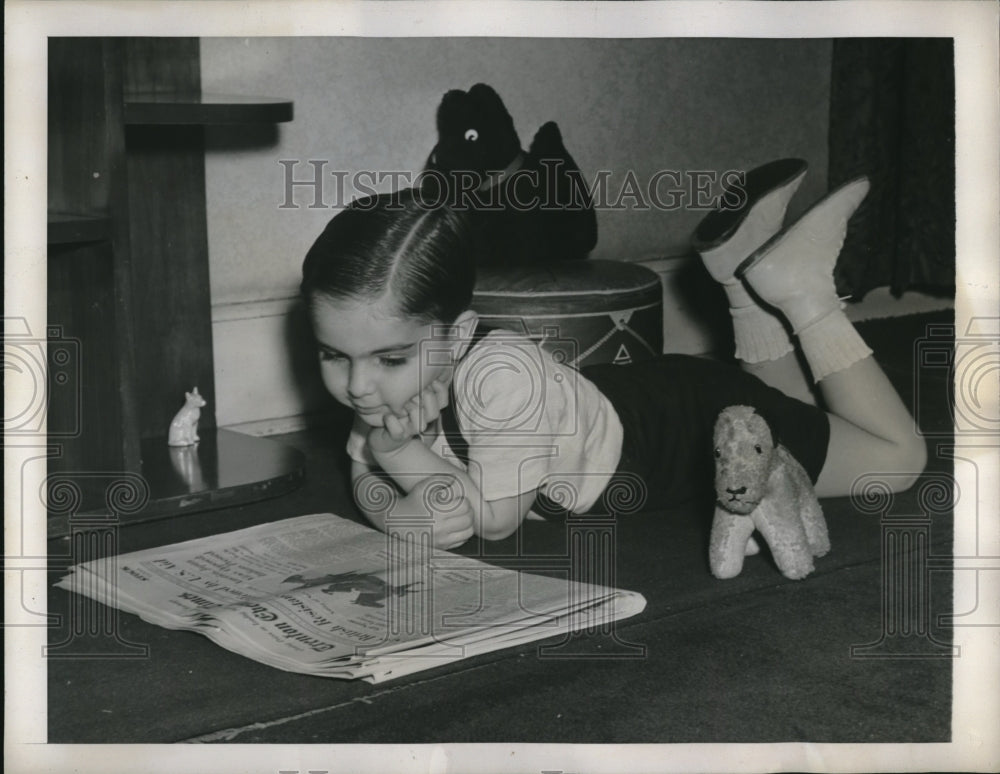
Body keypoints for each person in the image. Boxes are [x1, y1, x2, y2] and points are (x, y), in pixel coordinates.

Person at [300, 160, 927, 549]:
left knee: (897, 461)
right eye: (333, 355)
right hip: (636, 398)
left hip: (680, 429)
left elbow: (489, 522)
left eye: (386, 359)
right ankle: (741, 275)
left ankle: (808, 293)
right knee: (788, 410)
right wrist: (391, 512)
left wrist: (396, 453)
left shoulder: (501, 380)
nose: (356, 387)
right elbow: (367, 478)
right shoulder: (386, 383)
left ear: (458, 337)